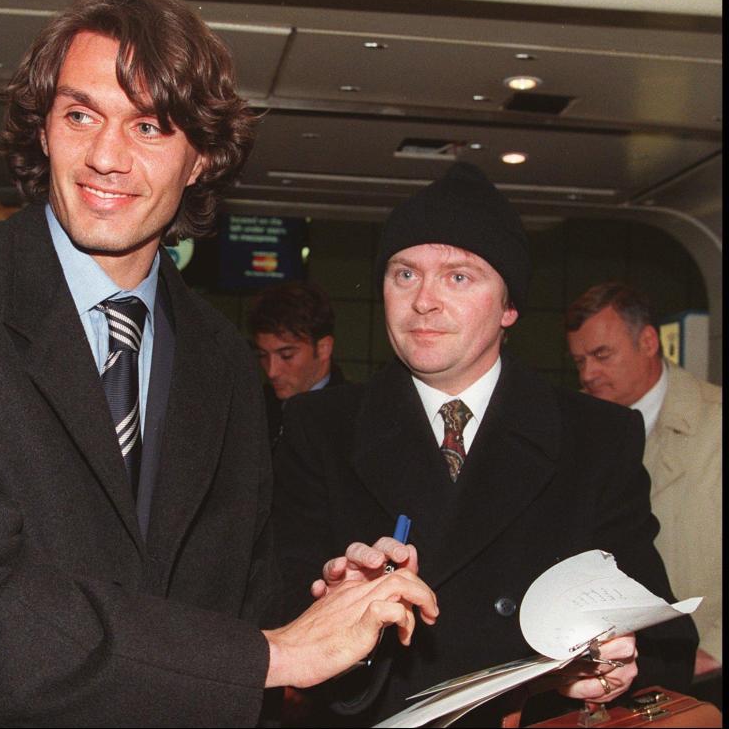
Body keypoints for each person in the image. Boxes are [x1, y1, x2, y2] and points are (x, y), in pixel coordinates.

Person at [0, 0, 438, 726]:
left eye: (151, 127)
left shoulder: (225, 363)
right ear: (42, 129)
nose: (106, 156)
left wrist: (329, 611)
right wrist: (273, 654)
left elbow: (233, 604)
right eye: (80, 114)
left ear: (200, 158)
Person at [273, 162, 697, 726]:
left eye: (458, 277)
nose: (423, 300)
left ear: (509, 307)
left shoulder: (595, 437)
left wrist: (611, 668)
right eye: (404, 274)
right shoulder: (317, 428)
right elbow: (274, 625)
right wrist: (334, 612)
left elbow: (661, 633)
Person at [566, 282, 722, 677]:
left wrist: (715, 653)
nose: (589, 374)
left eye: (602, 355)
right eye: (580, 361)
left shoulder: (716, 424)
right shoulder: (577, 433)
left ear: (649, 341)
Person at [248, 281, 346, 448]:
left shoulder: (353, 417)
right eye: (262, 355)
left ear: (323, 348)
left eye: (286, 356)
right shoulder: (253, 408)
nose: (272, 371)